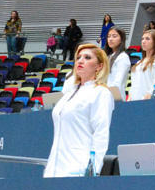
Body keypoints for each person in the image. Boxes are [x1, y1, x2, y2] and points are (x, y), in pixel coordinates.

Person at [43, 43, 113, 177]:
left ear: (99, 66)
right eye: (78, 57)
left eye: (87, 58)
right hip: (54, 169)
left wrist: (93, 170)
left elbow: (101, 134)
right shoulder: (69, 93)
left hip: (78, 169)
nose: (80, 60)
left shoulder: (101, 93)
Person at [129, 28, 155, 100]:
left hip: (149, 100)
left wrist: (150, 94)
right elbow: (134, 85)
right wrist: (130, 97)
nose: (143, 41)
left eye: (147, 39)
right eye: (142, 39)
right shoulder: (138, 63)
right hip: (135, 101)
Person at [104, 26, 131, 96]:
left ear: (121, 39)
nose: (110, 39)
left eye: (114, 36)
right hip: (105, 95)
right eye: (109, 36)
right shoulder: (108, 56)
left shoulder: (123, 57)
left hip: (115, 96)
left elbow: (118, 83)